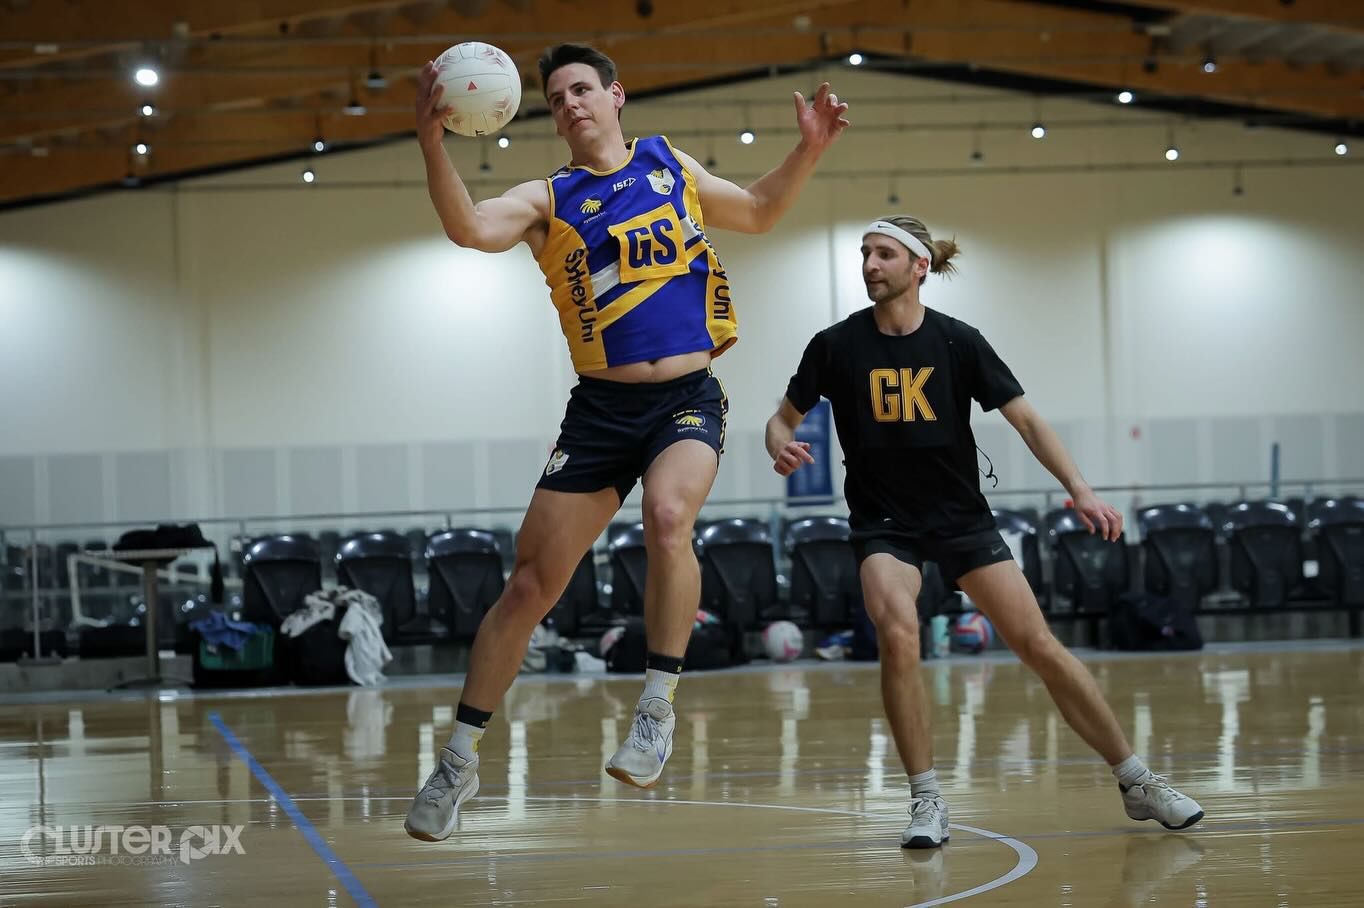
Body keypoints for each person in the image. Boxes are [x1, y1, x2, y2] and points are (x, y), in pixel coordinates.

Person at [403, 43, 850, 842]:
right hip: (601, 411)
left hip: (686, 397)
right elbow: (470, 229)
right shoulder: (549, 198)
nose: (570, 102)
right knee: (529, 587)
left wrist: (808, 150)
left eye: (582, 88)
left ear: (615, 95)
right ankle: (459, 759)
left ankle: (655, 709)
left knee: (669, 516)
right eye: (555, 97)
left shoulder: (667, 164)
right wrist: (432, 142)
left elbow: (757, 210)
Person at [765, 215, 1204, 849]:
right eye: (864, 253)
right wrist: (781, 446)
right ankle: (926, 799)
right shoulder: (834, 346)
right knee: (896, 630)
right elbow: (780, 421)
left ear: (919, 267)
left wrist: (1079, 489)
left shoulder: (958, 342)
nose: (869, 264)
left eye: (884, 254)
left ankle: (1137, 781)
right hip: (884, 522)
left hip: (960, 518)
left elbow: (1026, 420)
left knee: (1038, 646)